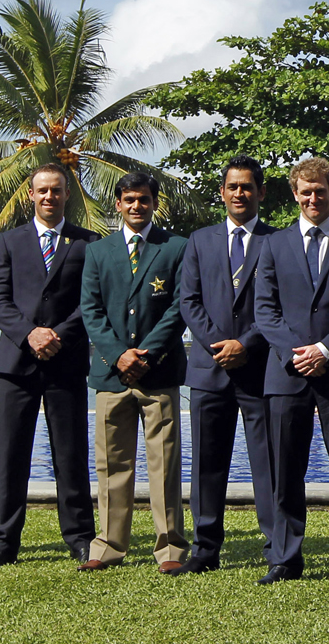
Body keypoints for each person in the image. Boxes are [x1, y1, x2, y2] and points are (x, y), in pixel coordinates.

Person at [255, 157, 329, 587]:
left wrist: (324, 349)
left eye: (321, 190)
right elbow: (264, 310)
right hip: (286, 373)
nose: (313, 198)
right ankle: (285, 557)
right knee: (286, 471)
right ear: (294, 194)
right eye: (306, 191)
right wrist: (295, 353)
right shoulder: (274, 245)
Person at [0, 163, 98, 568]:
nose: (49, 197)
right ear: (31, 195)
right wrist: (29, 334)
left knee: (70, 455)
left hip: (65, 362)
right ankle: (3, 541)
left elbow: (92, 302)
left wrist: (58, 335)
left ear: (68, 194)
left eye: (57, 190)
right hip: (17, 363)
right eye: (42, 191)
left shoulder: (87, 242)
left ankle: (81, 536)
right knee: (11, 455)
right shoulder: (8, 242)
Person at [171, 156, 279, 575]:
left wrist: (245, 344)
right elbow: (188, 301)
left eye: (247, 187)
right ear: (222, 192)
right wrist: (221, 344)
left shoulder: (278, 240)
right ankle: (205, 547)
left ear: (261, 193)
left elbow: (278, 306)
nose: (239, 193)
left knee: (266, 463)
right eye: (232, 186)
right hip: (208, 368)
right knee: (206, 462)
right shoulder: (199, 241)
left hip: (259, 368)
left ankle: (276, 545)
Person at [77, 172, 190, 572]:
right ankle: (108, 546)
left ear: (154, 203)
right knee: (111, 464)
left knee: (164, 464)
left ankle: (171, 548)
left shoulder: (176, 247)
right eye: (129, 200)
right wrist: (118, 355)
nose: (136, 206)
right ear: (118, 204)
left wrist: (146, 354)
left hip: (158, 373)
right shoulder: (98, 251)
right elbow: (90, 311)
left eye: (143, 199)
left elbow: (181, 307)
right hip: (111, 376)